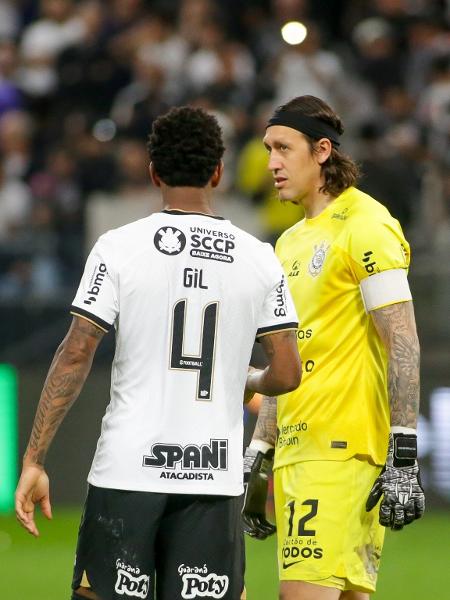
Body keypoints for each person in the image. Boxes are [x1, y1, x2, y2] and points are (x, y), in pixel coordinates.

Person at [15, 105, 302, 600]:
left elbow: (75, 352)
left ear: (153, 173)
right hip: (212, 477)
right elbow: (287, 372)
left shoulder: (118, 247)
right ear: (218, 171)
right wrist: (243, 380)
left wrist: (35, 460)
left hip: (128, 471)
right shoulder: (261, 258)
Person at [242, 95, 425, 600]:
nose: (272, 163)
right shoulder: (287, 243)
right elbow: (290, 359)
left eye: (283, 148)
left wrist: (404, 452)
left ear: (322, 151)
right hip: (302, 449)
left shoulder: (366, 224)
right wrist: (259, 449)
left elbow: (403, 337)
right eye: (267, 149)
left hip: (340, 451)